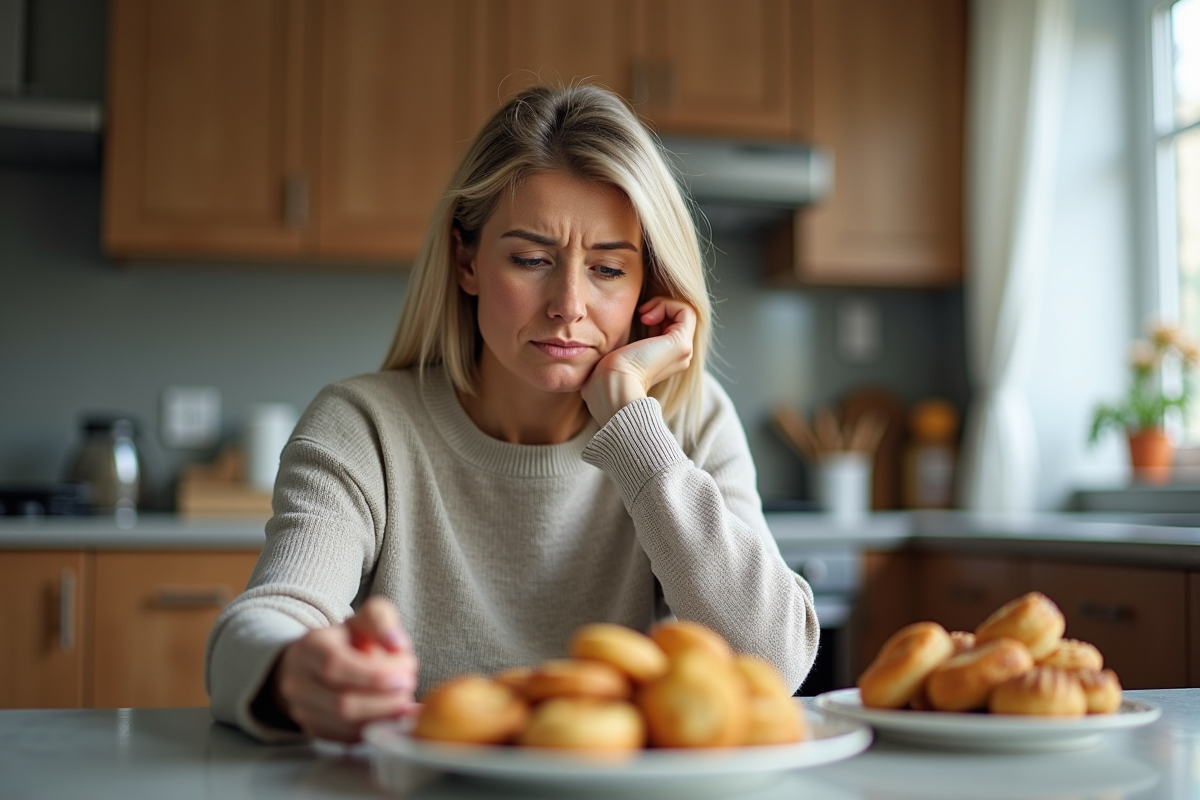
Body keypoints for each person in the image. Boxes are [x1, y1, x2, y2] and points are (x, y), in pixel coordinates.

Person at [205, 83, 819, 743]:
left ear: (650, 284)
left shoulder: (687, 424)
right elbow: (262, 623)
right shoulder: (364, 427)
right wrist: (293, 670)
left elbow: (772, 661)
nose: (568, 304)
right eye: (531, 260)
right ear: (466, 260)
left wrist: (631, 428)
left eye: (608, 270)